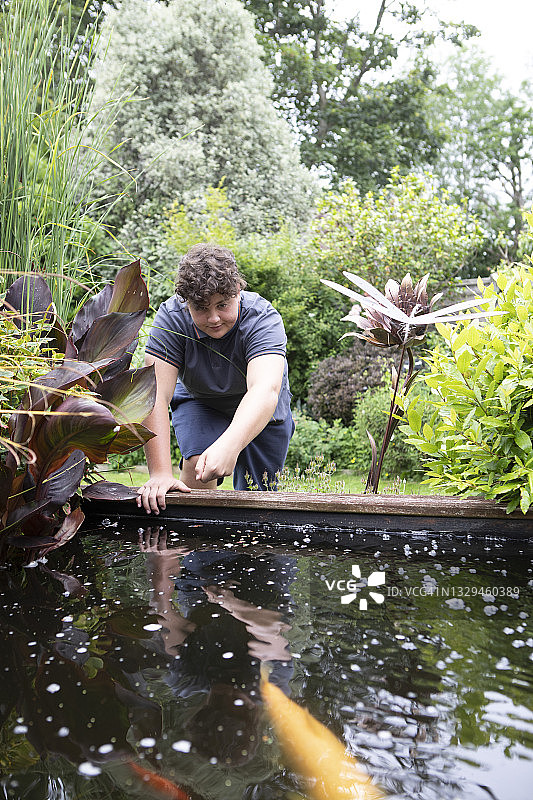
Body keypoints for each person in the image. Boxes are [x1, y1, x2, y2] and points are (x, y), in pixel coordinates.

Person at [137, 243, 294, 514]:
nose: (213, 318)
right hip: (200, 400)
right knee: (200, 466)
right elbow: (154, 394)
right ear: (186, 303)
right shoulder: (172, 318)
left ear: (238, 292)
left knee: (259, 494)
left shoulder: (262, 318)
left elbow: (264, 389)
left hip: (262, 407)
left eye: (223, 305)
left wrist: (230, 444)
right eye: (201, 308)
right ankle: (193, 536)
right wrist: (160, 473)